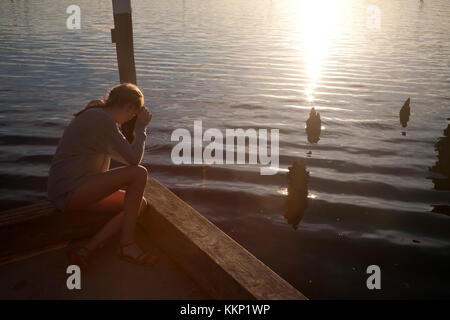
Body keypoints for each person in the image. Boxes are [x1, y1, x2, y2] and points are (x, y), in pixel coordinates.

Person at [47, 83, 157, 269]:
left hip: (78, 188)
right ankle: (127, 244)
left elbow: (124, 155)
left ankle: (86, 249)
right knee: (139, 173)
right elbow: (133, 160)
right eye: (133, 114)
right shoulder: (101, 120)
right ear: (130, 108)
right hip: (69, 191)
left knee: (139, 204)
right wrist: (140, 128)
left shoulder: (97, 112)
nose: (131, 118)